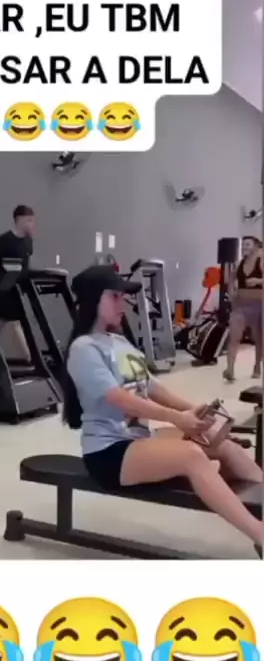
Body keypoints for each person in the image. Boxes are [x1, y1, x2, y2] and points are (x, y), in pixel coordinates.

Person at [63, 265, 263, 550]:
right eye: (115, 297)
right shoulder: (83, 348)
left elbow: (152, 387)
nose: (123, 304)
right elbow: (117, 398)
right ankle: (259, 534)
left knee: (221, 443)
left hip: (138, 441)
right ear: (94, 299)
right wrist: (177, 418)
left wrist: (194, 410)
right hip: (109, 453)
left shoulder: (119, 342)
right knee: (192, 456)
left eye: (123, 297)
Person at [0, 205, 35, 363]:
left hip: (18, 286)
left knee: (1, 320)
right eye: (29, 220)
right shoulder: (4, 239)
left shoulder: (28, 241)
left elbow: (26, 263)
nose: (32, 224)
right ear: (19, 220)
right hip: (5, 284)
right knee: (15, 320)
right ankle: (28, 356)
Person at [223, 235, 263, 382]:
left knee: (259, 338)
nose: (244, 247)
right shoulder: (240, 263)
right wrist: (231, 294)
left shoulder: (261, 261)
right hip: (241, 305)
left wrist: (258, 280)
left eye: (248, 244)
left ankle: (257, 366)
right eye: (243, 245)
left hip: (259, 304)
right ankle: (230, 369)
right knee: (234, 336)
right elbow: (231, 279)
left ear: (256, 246)